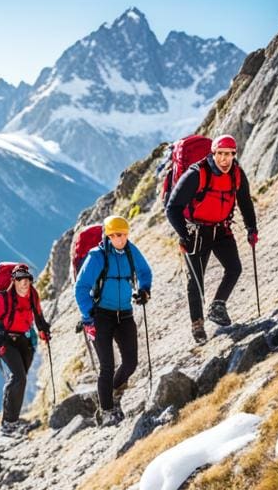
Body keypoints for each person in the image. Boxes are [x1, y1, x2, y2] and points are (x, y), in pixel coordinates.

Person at [165, 134, 257, 344]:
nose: (225, 159)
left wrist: (252, 228)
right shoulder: (196, 174)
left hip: (222, 229)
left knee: (234, 268)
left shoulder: (237, 174)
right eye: (221, 154)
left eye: (229, 155)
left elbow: (245, 202)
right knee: (196, 281)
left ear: (235, 155)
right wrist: (184, 235)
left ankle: (218, 305)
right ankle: (197, 326)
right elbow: (172, 208)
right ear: (213, 154)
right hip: (196, 232)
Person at [74, 216, 153, 424]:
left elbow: (145, 271)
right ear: (108, 236)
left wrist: (144, 290)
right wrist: (88, 313)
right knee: (107, 366)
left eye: (123, 234)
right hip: (101, 315)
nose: (120, 239)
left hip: (125, 313)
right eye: (115, 235)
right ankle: (107, 411)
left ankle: (113, 393)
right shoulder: (97, 256)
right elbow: (81, 288)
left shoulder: (130, 250)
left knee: (131, 363)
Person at [0, 264, 51, 433]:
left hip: (23, 339)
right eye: (20, 279)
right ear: (13, 281)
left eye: (27, 279)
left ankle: (12, 419)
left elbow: (38, 314)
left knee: (21, 378)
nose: (24, 283)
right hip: (5, 340)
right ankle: (8, 422)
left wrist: (43, 331)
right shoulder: (2, 299)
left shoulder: (32, 295)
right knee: (18, 377)